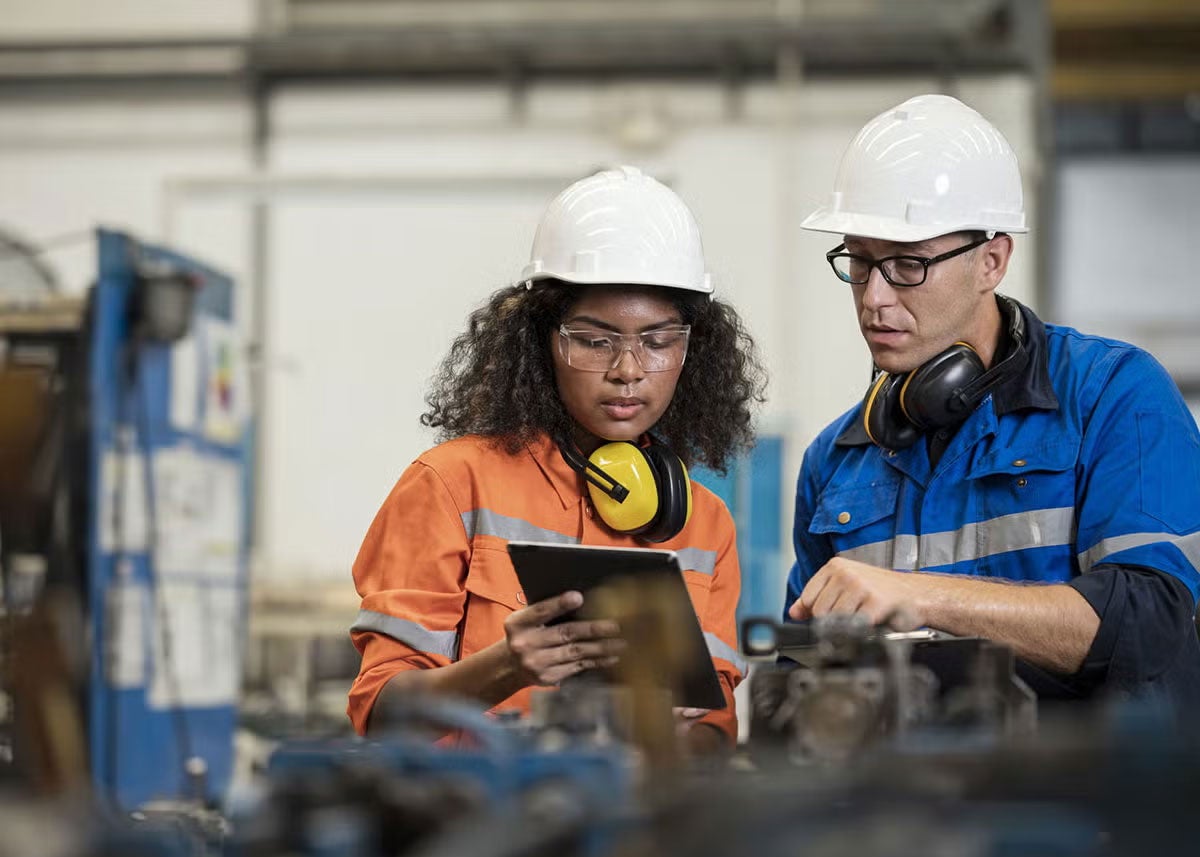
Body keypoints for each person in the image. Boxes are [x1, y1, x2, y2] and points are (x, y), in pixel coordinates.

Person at [787, 94, 1200, 708]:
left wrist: (921, 596)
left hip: (1086, 797)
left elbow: (1149, 625)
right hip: (902, 800)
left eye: (906, 265)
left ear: (992, 260)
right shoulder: (837, 458)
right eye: (860, 262)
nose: (874, 298)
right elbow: (803, 671)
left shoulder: (1112, 396)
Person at [349, 166, 765, 752]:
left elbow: (717, 733)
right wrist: (506, 666)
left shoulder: (705, 524)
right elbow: (381, 712)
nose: (628, 369)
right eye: (595, 340)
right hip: (474, 824)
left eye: (658, 340)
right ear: (541, 341)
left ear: (692, 349)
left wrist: (672, 738)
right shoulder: (451, 484)